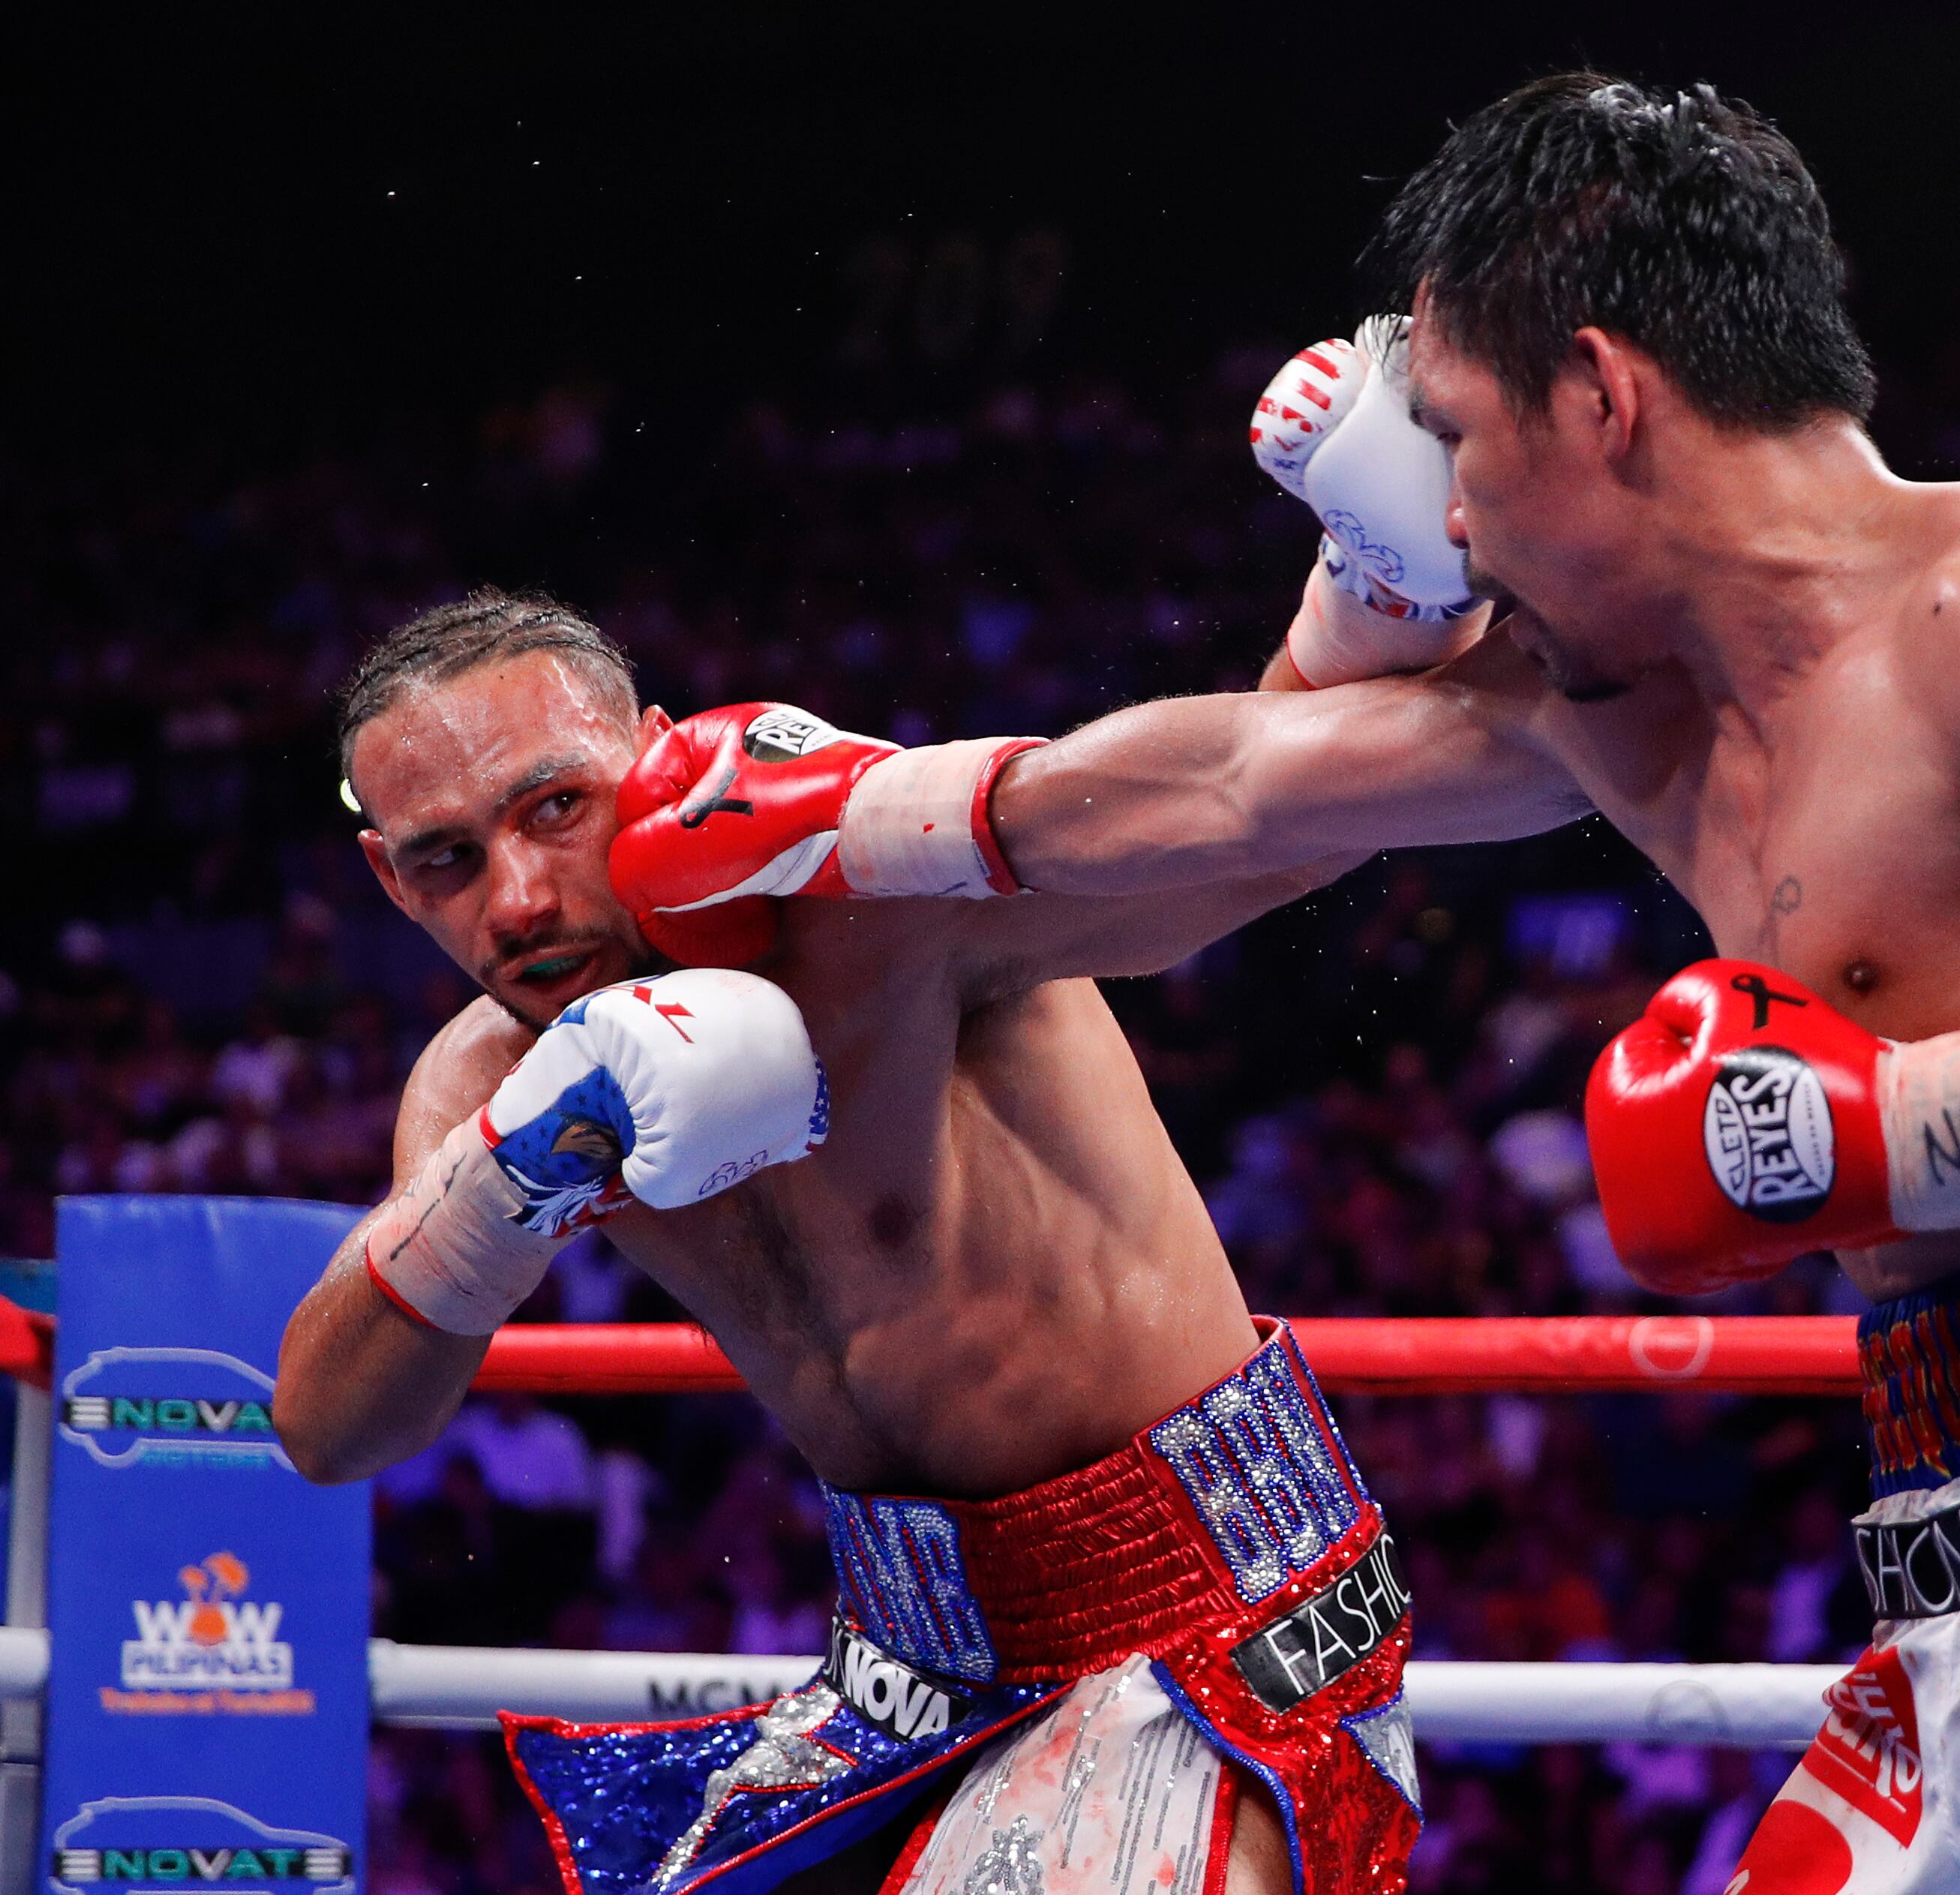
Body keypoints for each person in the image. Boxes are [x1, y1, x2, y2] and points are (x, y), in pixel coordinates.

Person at [804, 74, 1960, 1895]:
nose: (1456, 522)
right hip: (1953, 1538)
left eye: (1456, 445)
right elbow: (1235, 789)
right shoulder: (1628, 712)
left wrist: (1879, 1133)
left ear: (1602, 396)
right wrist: (828, 815)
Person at [274, 593, 1418, 1895]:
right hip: (902, 1665)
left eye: (555, 810)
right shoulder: (492, 1083)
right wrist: (501, 1185)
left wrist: (1372, 606)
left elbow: (1250, 820)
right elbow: (327, 1430)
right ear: (388, 879)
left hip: (1205, 1601)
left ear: (649, 755)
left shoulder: (862, 900)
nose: (519, 899)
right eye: (447, 860)